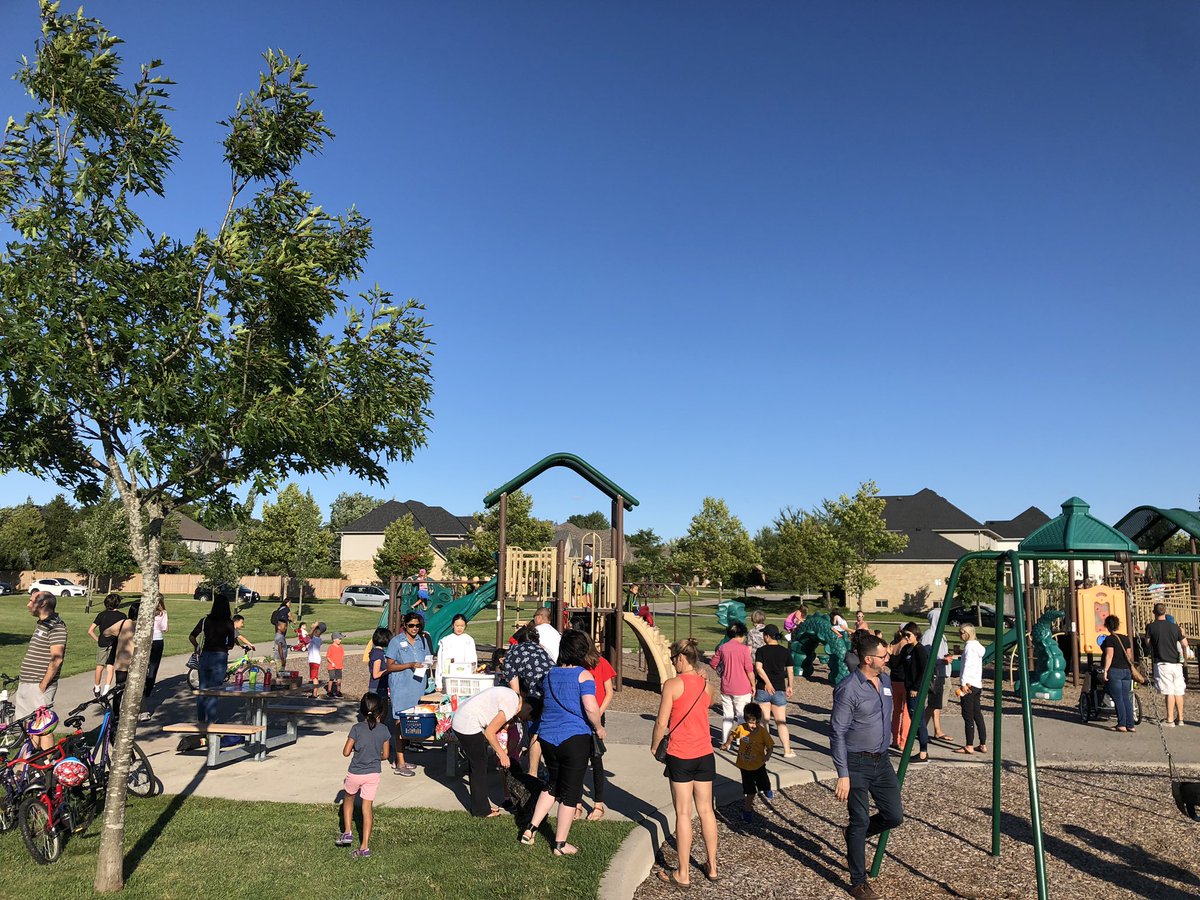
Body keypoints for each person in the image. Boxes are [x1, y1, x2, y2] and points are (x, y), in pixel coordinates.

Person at [831, 631, 904, 900]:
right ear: (869, 659)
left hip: (882, 761)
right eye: (884, 656)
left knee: (894, 815)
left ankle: (853, 836)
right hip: (856, 762)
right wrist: (843, 775)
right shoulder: (848, 688)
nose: (888, 659)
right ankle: (858, 882)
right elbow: (837, 732)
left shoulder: (884, 680)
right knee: (860, 820)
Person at [520, 629, 605, 856]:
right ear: (581, 651)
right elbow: (590, 707)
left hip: (548, 737)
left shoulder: (550, 675)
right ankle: (560, 843)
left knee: (553, 784)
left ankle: (530, 829)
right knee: (570, 791)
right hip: (574, 738)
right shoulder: (584, 676)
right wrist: (598, 727)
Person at [651, 638, 719, 888]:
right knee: (706, 811)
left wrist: (655, 745)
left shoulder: (672, 685)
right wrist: (704, 679)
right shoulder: (706, 686)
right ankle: (712, 865)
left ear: (681, 658)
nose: (672, 664)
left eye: (673, 659)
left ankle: (683, 873)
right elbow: (710, 701)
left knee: (683, 812)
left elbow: (661, 722)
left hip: (681, 753)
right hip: (705, 753)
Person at [451, 684, 524, 817]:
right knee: (478, 765)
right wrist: (502, 754)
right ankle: (481, 811)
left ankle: (482, 805)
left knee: (479, 763)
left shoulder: (511, 695)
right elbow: (489, 732)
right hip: (467, 724)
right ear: (527, 707)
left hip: (463, 717)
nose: (521, 718)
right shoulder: (511, 705)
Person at [338, 692, 391, 859]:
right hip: (373, 774)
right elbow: (386, 755)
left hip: (355, 772)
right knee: (367, 808)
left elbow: (346, 752)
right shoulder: (384, 730)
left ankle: (347, 832)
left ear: (361, 711)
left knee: (349, 799)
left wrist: (356, 748)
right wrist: (376, 754)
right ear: (380, 713)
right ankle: (365, 847)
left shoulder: (356, 729)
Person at [497, 624, 554, 777]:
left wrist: (508, 720)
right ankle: (549, 770)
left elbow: (514, 694)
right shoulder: (542, 650)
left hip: (536, 696)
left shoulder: (513, 653)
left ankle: (533, 773)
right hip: (554, 691)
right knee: (545, 732)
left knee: (535, 732)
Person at [16, 592, 67, 750]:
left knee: (44, 728)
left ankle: (47, 768)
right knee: (31, 726)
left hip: (38, 685)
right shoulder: (43, 624)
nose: (28, 604)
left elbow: (57, 658)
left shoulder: (56, 626)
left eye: (31, 601)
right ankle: (29, 764)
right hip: (28, 682)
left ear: (43, 604)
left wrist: (43, 685)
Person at [384, 612, 432, 775]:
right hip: (401, 688)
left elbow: (426, 659)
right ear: (405, 625)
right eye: (411, 625)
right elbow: (389, 666)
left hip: (417, 687)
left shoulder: (422, 640)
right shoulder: (396, 642)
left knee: (410, 724)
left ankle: (401, 758)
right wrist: (409, 664)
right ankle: (400, 762)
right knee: (400, 724)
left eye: (417, 625)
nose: (414, 628)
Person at [721, 701, 774, 823]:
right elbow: (733, 736)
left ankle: (767, 789)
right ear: (746, 720)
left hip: (759, 765)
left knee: (764, 783)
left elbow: (770, 746)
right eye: (751, 722)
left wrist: (767, 755)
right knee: (750, 792)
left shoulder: (762, 732)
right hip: (744, 766)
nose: (753, 725)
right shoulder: (741, 728)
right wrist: (727, 744)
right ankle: (747, 811)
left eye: (756, 722)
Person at [582, 639, 616, 821]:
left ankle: (598, 803)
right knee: (578, 759)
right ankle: (577, 803)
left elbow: (608, 692)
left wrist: (598, 713)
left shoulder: (602, 663)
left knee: (596, 758)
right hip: (580, 716)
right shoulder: (578, 663)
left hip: (596, 714)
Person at [190, 597, 236, 725]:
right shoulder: (228, 623)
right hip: (220, 655)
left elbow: (192, 635)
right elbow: (231, 644)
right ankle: (211, 721)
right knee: (214, 690)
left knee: (203, 688)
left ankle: (200, 719)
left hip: (205, 655)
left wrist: (197, 647)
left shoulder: (205, 620)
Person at [710, 621, 755, 744]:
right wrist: (753, 685)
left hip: (726, 686)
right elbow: (749, 669)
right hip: (742, 687)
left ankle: (725, 741)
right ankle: (741, 741)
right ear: (741, 635)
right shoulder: (744, 649)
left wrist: (723, 671)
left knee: (727, 715)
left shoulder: (723, 648)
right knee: (741, 716)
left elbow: (713, 663)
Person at [754, 624, 796, 758]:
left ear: (767, 636)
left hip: (763, 688)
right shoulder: (785, 651)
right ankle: (787, 750)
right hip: (779, 688)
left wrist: (767, 682)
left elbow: (759, 668)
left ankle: (766, 748)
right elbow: (790, 670)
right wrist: (790, 685)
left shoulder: (761, 651)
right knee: (781, 721)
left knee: (764, 721)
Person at [1146, 602, 1189, 726]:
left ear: (1154, 613)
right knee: (1178, 691)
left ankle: (1169, 719)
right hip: (1176, 663)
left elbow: (1148, 643)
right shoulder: (1175, 627)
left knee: (1169, 691)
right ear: (1165, 612)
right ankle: (1180, 718)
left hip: (1163, 662)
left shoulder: (1151, 627)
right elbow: (1185, 644)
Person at [951, 624, 986, 754]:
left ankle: (969, 745)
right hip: (977, 684)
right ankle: (982, 743)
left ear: (967, 633)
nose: (960, 635)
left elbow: (967, 666)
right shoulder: (977, 646)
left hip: (969, 685)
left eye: (961, 633)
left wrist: (963, 683)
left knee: (968, 715)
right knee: (977, 714)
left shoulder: (970, 647)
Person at [899, 624, 930, 763]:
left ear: (916, 634)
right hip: (908, 686)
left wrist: (916, 688)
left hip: (915, 690)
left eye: (909, 635)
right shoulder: (907, 649)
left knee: (918, 721)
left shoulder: (920, 650)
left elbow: (923, 671)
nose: (906, 637)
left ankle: (923, 752)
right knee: (914, 719)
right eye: (904, 635)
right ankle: (919, 748)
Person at [1100, 614, 1136, 733]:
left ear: (1107, 626)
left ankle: (1121, 724)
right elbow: (1129, 655)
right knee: (1126, 697)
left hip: (1115, 670)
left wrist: (1105, 670)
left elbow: (1109, 656)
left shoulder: (1109, 639)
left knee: (1118, 698)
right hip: (1126, 670)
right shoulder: (1125, 638)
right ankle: (1131, 724)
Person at [921, 608, 951, 741]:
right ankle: (921, 729)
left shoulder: (941, 634)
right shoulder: (929, 635)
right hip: (935, 673)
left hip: (942, 672)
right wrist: (941, 661)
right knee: (933, 703)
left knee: (936, 703)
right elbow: (925, 655)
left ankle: (936, 730)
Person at [88, 593, 126, 697]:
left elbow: (90, 630)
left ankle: (96, 688)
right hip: (114, 644)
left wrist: (98, 639)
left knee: (99, 666)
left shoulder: (101, 615)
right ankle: (106, 690)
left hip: (102, 643)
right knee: (110, 667)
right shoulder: (122, 616)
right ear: (118, 604)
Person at [141, 593, 169, 720]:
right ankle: (148, 690)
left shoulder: (146, 611)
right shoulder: (163, 613)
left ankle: (142, 688)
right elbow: (165, 628)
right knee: (153, 666)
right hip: (157, 639)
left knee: (143, 665)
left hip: (146, 639)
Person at [436, 614, 478, 690]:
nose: (459, 628)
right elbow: (440, 662)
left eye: (462, 626)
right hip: (449, 679)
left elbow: (473, 660)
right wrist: (439, 683)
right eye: (457, 625)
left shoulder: (469, 640)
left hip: (465, 679)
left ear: (465, 626)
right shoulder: (445, 640)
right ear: (453, 626)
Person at [887, 629, 909, 750]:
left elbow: (889, 664)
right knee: (906, 712)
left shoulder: (892, 646)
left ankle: (895, 739)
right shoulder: (905, 646)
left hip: (894, 681)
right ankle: (903, 741)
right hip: (904, 681)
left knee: (896, 711)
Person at [270, 597, 293, 669]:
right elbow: (290, 616)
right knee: (280, 672)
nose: (290, 604)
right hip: (280, 658)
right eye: (289, 603)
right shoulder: (287, 609)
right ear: (287, 603)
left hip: (278, 624)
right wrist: (283, 659)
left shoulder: (280, 608)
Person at [308, 622, 327, 698]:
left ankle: (315, 694)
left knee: (314, 677)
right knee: (314, 677)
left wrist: (314, 626)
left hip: (314, 660)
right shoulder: (317, 639)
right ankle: (314, 692)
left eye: (316, 631)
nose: (315, 632)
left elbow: (310, 635)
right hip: (313, 660)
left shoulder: (316, 639)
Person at [327, 632, 346, 699]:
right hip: (332, 666)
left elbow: (342, 655)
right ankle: (329, 691)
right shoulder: (331, 647)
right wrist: (332, 662)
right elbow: (328, 657)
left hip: (339, 666)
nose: (340, 640)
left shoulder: (341, 647)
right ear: (334, 639)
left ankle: (338, 691)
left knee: (339, 679)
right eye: (339, 639)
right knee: (332, 678)